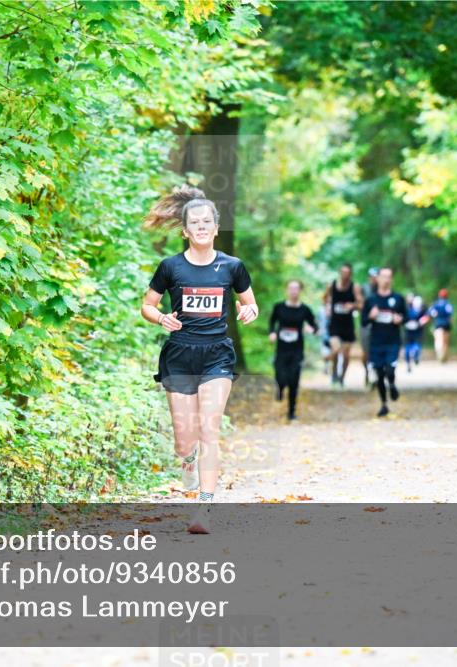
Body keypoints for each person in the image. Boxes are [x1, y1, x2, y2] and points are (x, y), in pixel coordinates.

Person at [141, 185, 258, 534]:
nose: (202, 226)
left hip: (216, 355)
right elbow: (147, 305)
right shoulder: (170, 267)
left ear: (216, 228)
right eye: (196, 222)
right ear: (185, 230)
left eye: (208, 221)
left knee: (209, 429)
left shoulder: (232, 267)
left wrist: (249, 310)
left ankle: (204, 508)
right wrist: (161, 318)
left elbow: (250, 302)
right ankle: (187, 461)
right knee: (184, 438)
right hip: (179, 355)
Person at [268, 280, 318, 421]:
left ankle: (291, 412)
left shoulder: (305, 310)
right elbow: (272, 322)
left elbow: (315, 326)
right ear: (287, 290)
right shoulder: (279, 307)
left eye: (296, 288)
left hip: (297, 351)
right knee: (281, 376)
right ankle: (280, 388)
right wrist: (272, 333)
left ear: (300, 291)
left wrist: (311, 329)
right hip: (282, 350)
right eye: (291, 288)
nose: (294, 291)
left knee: (294, 379)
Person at [363, 267, 406, 417]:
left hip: (392, 341)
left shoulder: (398, 299)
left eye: (389, 277)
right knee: (379, 374)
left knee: (389, 369)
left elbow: (406, 318)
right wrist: (371, 316)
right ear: (378, 279)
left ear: (391, 279)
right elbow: (363, 322)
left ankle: (392, 384)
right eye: (383, 277)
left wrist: (399, 319)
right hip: (376, 342)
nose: (386, 280)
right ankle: (383, 404)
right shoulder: (371, 300)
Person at [323, 263, 363, 387]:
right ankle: (334, 374)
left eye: (347, 273)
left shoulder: (354, 287)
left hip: (347, 325)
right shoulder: (332, 285)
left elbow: (361, 305)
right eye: (343, 272)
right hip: (334, 324)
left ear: (350, 274)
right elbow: (325, 299)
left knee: (346, 355)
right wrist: (328, 307)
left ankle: (342, 378)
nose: (345, 275)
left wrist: (352, 306)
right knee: (336, 350)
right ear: (340, 272)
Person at [359, 267, 379, 387]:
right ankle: (366, 372)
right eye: (372, 276)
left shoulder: (383, 290)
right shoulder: (363, 289)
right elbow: (358, 302)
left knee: (376, 350)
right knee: (366, 351)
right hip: (366, 323)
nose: (374, 279)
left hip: (379, 325)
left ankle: (376, 374)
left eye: (376, 276)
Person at [429, 288, 454, 363]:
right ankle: (444, 356)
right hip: (446, 324)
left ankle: (439, 354)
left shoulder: (435, 304)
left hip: (438, 324)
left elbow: (431, 313)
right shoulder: (448, 304)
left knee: (438, 340)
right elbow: (450, 315)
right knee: (446, 341)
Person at [403, 294, 427, 372]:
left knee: (415, 346)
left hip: (416, 330)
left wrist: (421, 322)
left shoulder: (421, 309)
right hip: (409, 331)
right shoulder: (406, 309)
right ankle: (409, 362)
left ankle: (414, 358)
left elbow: (426, 317)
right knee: (409, 347)